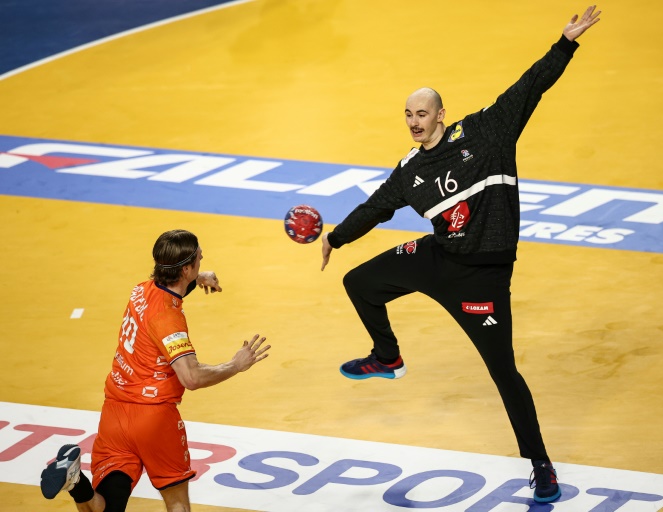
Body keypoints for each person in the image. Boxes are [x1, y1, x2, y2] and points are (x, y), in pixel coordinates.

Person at [320, 6, 601, 503]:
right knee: (358, 282)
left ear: (441, 115)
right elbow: (376, 208)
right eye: (407, 114)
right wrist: (335, 238)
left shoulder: (486, 133)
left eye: (421, 113)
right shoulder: (409, 169)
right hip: (436, 257)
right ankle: (388, 358)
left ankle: (540, 464)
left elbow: (530, 85)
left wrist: (565, 44)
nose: (413, 121)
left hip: (483, 280)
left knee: (504, 374)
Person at [40, 229, 271, 512]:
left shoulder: (141, 290)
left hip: (115, 414)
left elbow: (169, 286)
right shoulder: (169, 319)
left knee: (106, 508)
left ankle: (76, 483)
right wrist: (236, 365)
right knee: (177, 504)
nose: (202, 256)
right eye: (199, 256)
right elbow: (191, 377)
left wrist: (199, 278)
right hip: (153, 420)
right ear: (185, 268)